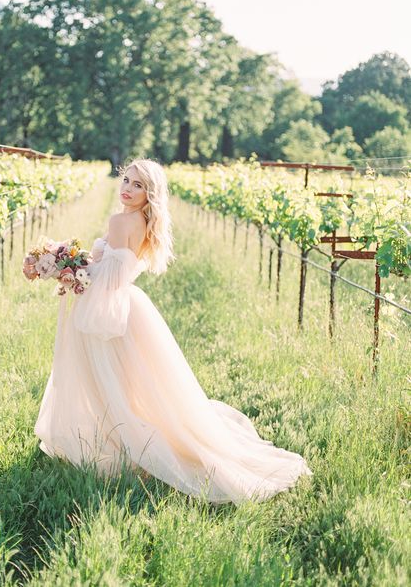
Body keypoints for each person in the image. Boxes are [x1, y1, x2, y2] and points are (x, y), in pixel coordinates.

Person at [32, 158, 313, 505]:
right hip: (127, 307)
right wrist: (67, 262)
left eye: (138, 185)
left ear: (150, 194)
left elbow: (110, 279)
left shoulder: (120, 221)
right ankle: (127, 441)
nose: (128, 189)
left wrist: (69, 273)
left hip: (108, 311)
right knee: (125, 384)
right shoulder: (142, 222)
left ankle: (125, 448)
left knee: (108, 381)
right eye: (127, 180)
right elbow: (112, 270)